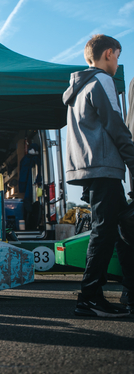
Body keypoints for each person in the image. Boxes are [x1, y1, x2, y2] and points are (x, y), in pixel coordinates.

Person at [63, 34, 134, 317]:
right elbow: (117, 127)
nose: (118, 61)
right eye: (117, 55)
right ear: (108, 54)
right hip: (104, 167)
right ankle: (90, 296)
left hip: (88, 168)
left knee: (119, 230)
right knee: (105, 232)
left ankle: (117, 293)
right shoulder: (103, 80)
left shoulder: (77, 88)